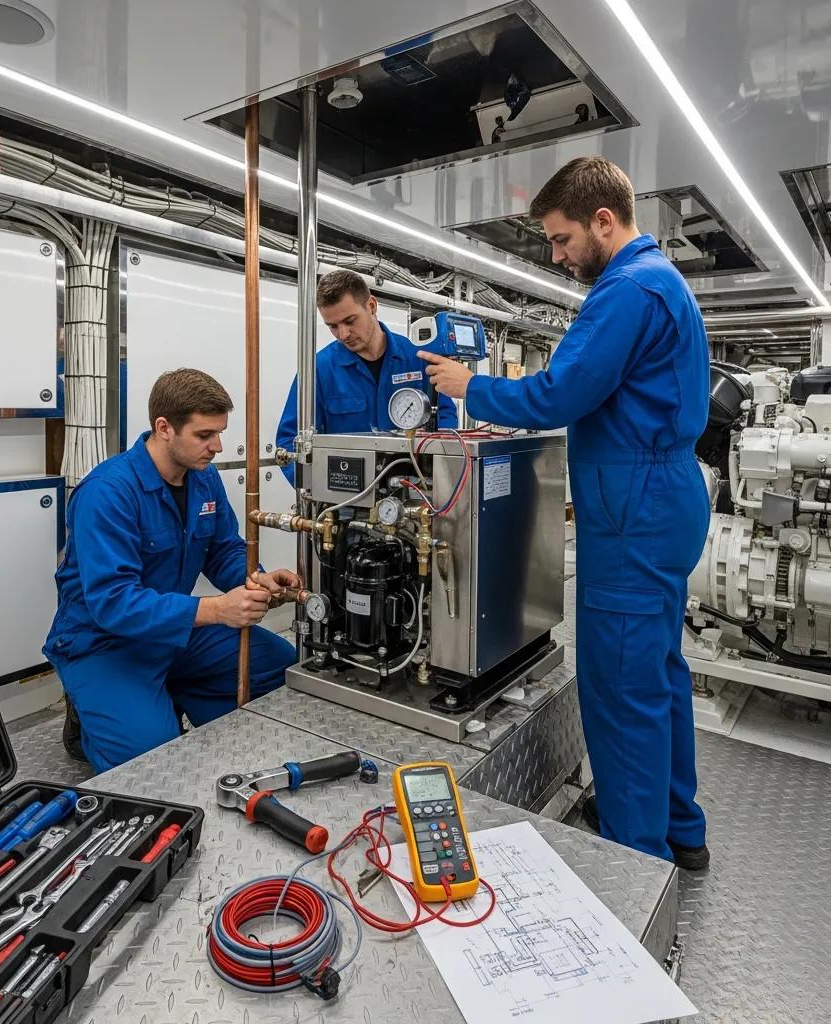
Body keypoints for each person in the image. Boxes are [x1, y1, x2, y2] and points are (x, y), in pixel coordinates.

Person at [420, 156, 711, 871]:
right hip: (661, 500)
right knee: (659, 671)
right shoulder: (660, 282)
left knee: (619, 684)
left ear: (603, 222)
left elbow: (558, 392)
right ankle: (682, 828)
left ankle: (634, 853)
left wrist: (472, 387)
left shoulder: (628, 291)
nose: (555, 255)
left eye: (561, 239)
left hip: (631, 514)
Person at [44, 368, 298, 772]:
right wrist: (217, 610)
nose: (216, 446)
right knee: (149, 758)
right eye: (204, 435)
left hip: (174, 632)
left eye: (219, 432)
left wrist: (255, 579)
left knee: (280, 664)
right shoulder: (108, 493)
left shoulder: (203, 477)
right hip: (104, 642)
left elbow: (223, 549)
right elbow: (114, 602)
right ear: (163, 427)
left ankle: (167, 693)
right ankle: (93, 714)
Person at [276, 269, 458, 483]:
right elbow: (289, 443)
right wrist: (318, 489)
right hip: (344, 502)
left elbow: (445, 417)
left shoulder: (417, 357)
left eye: (350, 321)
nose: (343, 334)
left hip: (415, 493)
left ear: (371, 305)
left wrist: (437, 475)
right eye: (333, 326)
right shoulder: (318, 370)